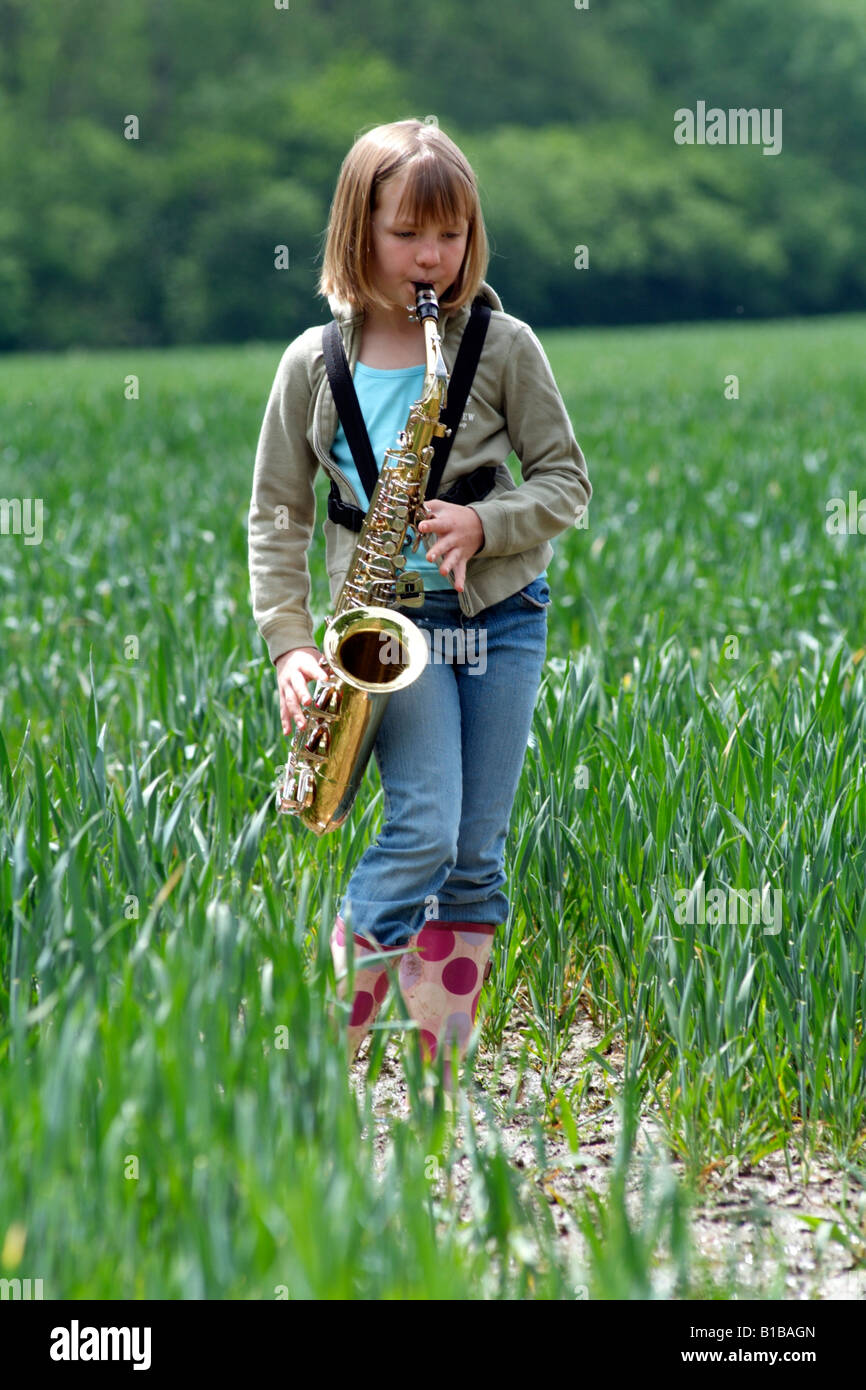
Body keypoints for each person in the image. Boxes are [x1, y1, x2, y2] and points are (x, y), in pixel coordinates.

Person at [248, 118, 592, 1089]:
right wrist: (286, 645)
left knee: (474, 856)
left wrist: (490, 526)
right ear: (358, 232)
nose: (431, 256)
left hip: (500, 618)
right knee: (424, 830)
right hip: (386, 630)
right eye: (407, 233)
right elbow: (276, 512)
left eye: (450, 233)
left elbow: (566, 480)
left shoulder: (499, 343)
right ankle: (329, 1052)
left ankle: (442, 1082)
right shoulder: (311, 364)